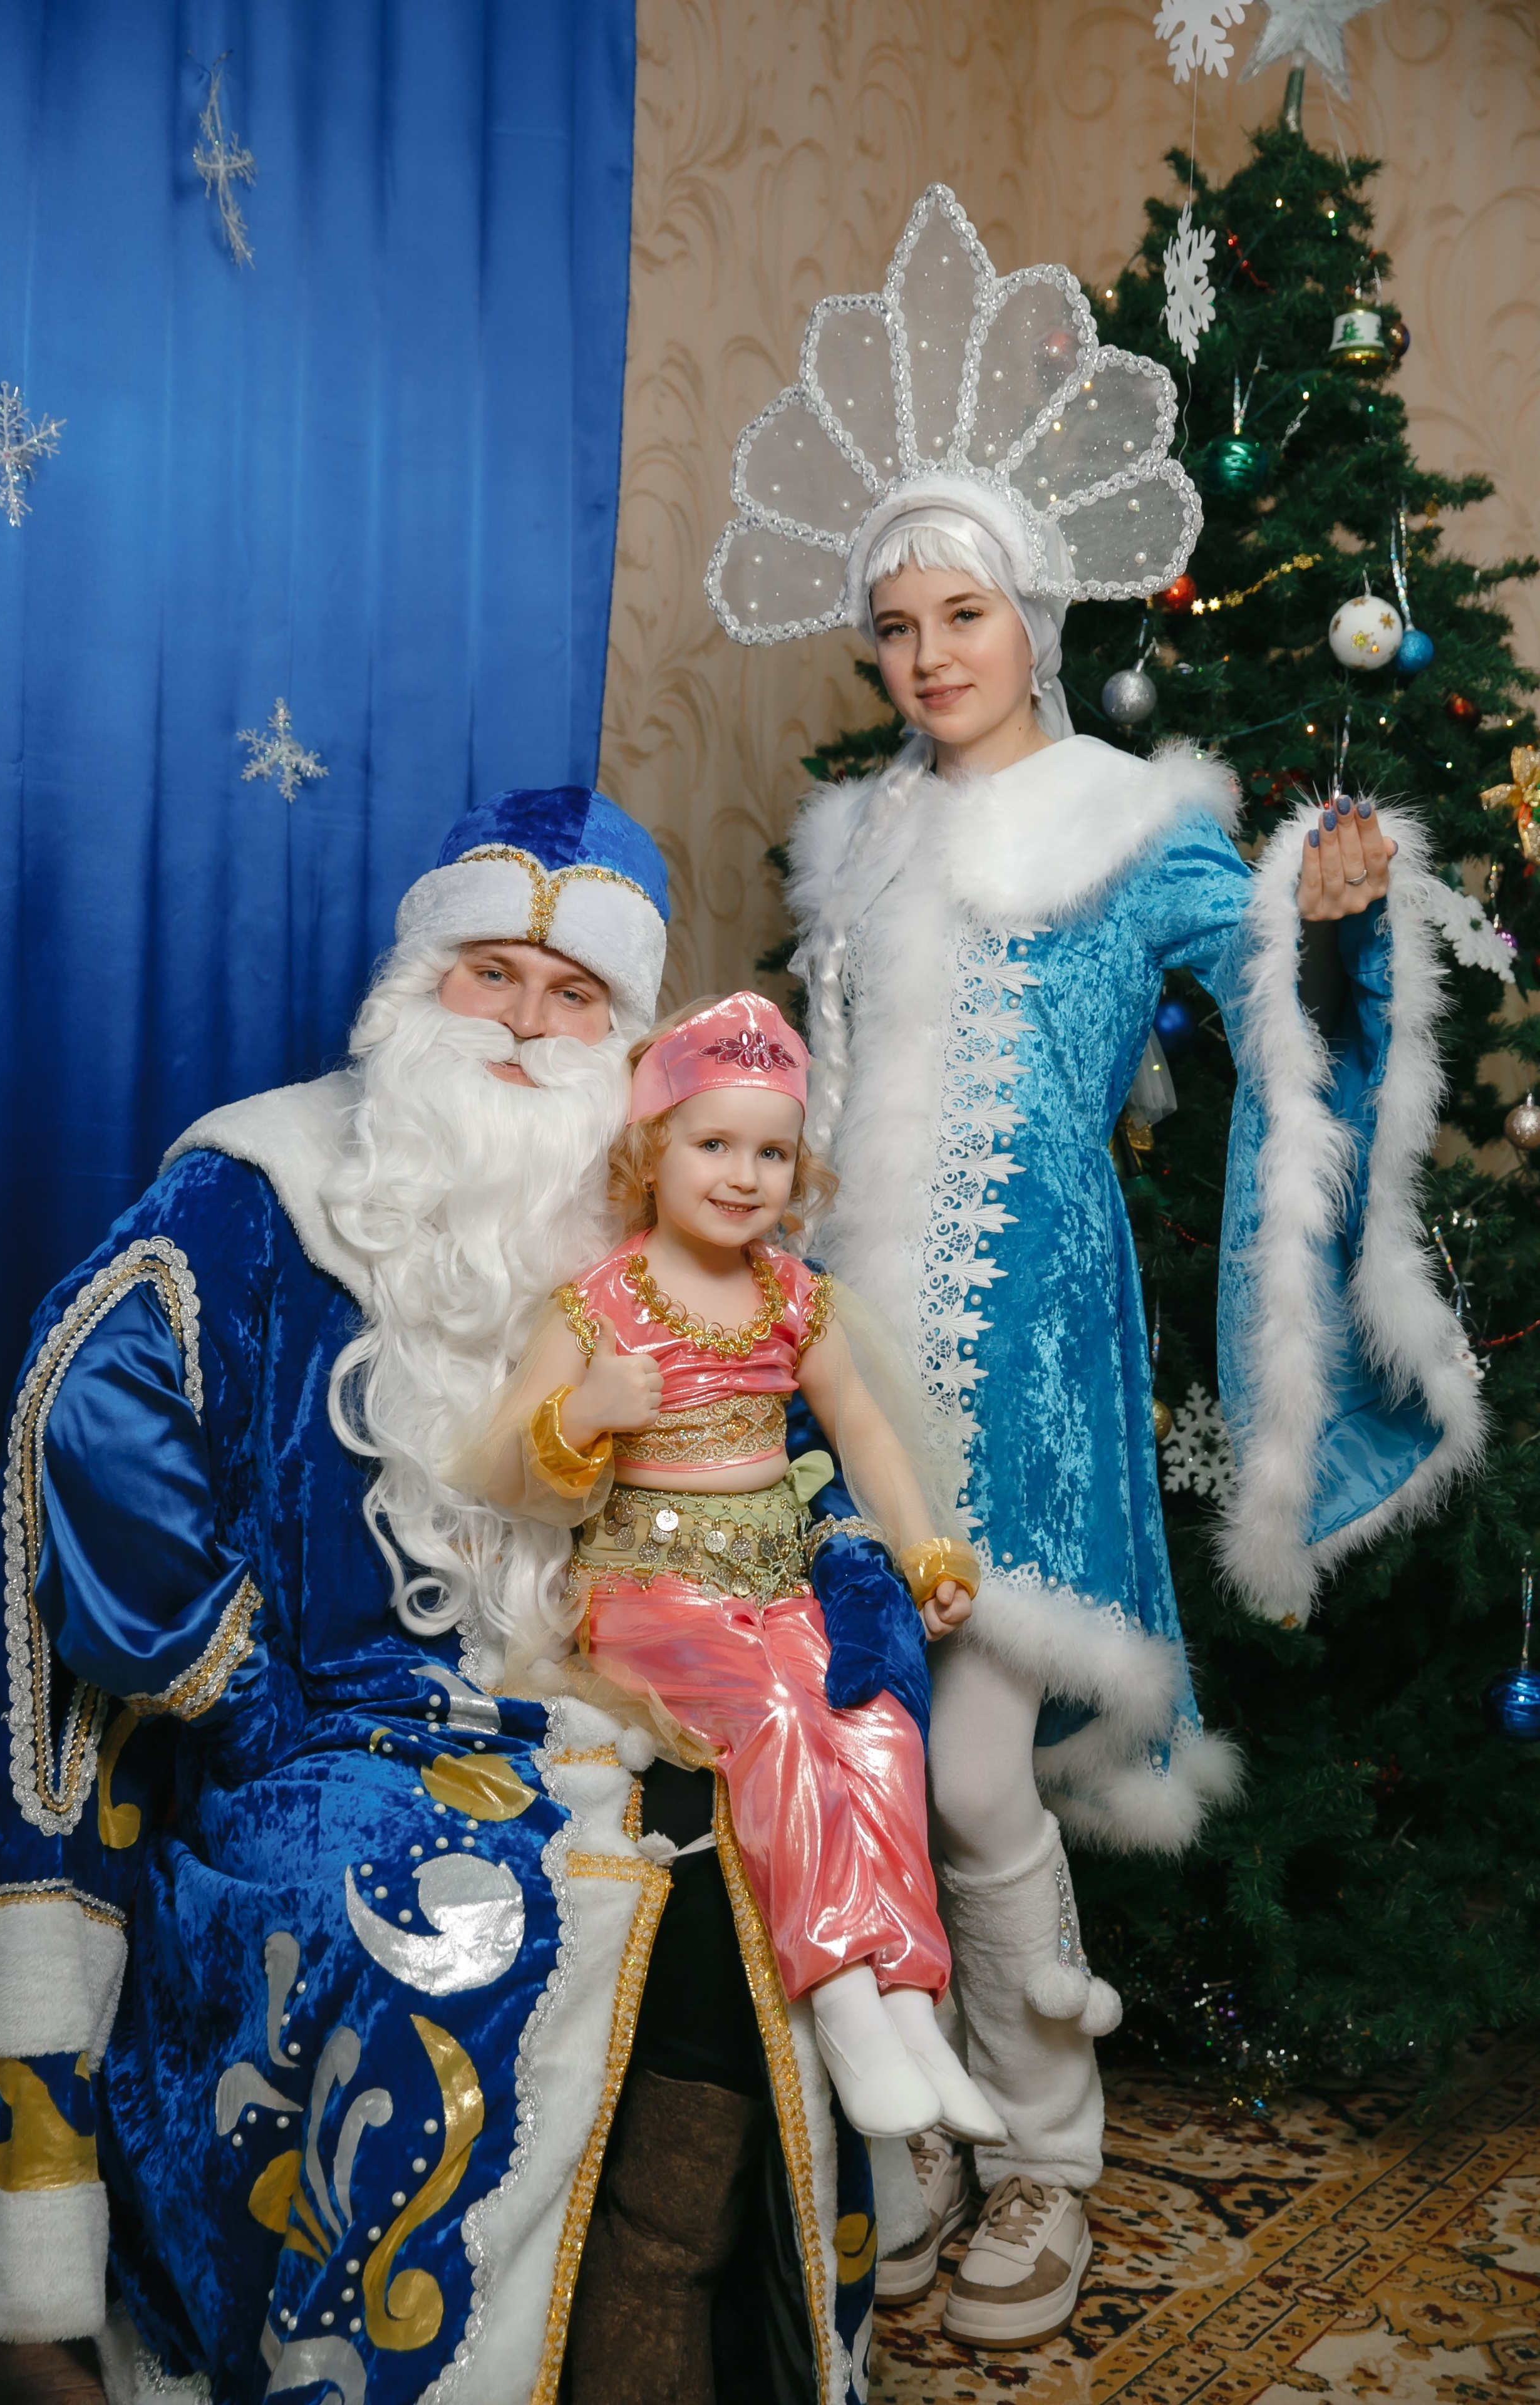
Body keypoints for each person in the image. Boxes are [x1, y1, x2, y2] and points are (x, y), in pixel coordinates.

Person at [706, 185, 1484, 2348]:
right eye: (898, 625)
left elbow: (1268, 996)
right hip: (842, 1385)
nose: (931, 652)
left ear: (1029, 615)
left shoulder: (1132, 820)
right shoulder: (854, 841)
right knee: (856, 1771)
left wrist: (1322, 911)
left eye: (963, 612)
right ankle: (924, 2140)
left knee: (970, 1774)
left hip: (1027, 1375)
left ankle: (1051, 2146)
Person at [0, 792, 891, 2405]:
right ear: (414, 983)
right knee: (454, 1922)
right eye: (491, 975)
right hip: (337, 1736)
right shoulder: (266, 1183)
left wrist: (842, 1615)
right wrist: (244, 1699)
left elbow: (807, 1440)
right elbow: (82, 1407)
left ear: (622, 1033)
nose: (526, 1024)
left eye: (574, 995)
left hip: (626, 1686)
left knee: (760, 1869)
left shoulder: (665, 1220)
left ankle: (648, 2334)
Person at [468, 991, 1000, 2146]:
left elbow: (862, 1431)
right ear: (653, 1151)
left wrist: (925, 1550)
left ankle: (913, 2000)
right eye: (714, 1144)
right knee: (770, 1724)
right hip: (647, 1595)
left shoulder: (791, 1296)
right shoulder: (602, 1304)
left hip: (776, 1580)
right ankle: (849, 2006)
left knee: (869, 1723)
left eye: (772, 1151)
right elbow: (499, 1458)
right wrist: (590, 1409)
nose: (744, 1175)